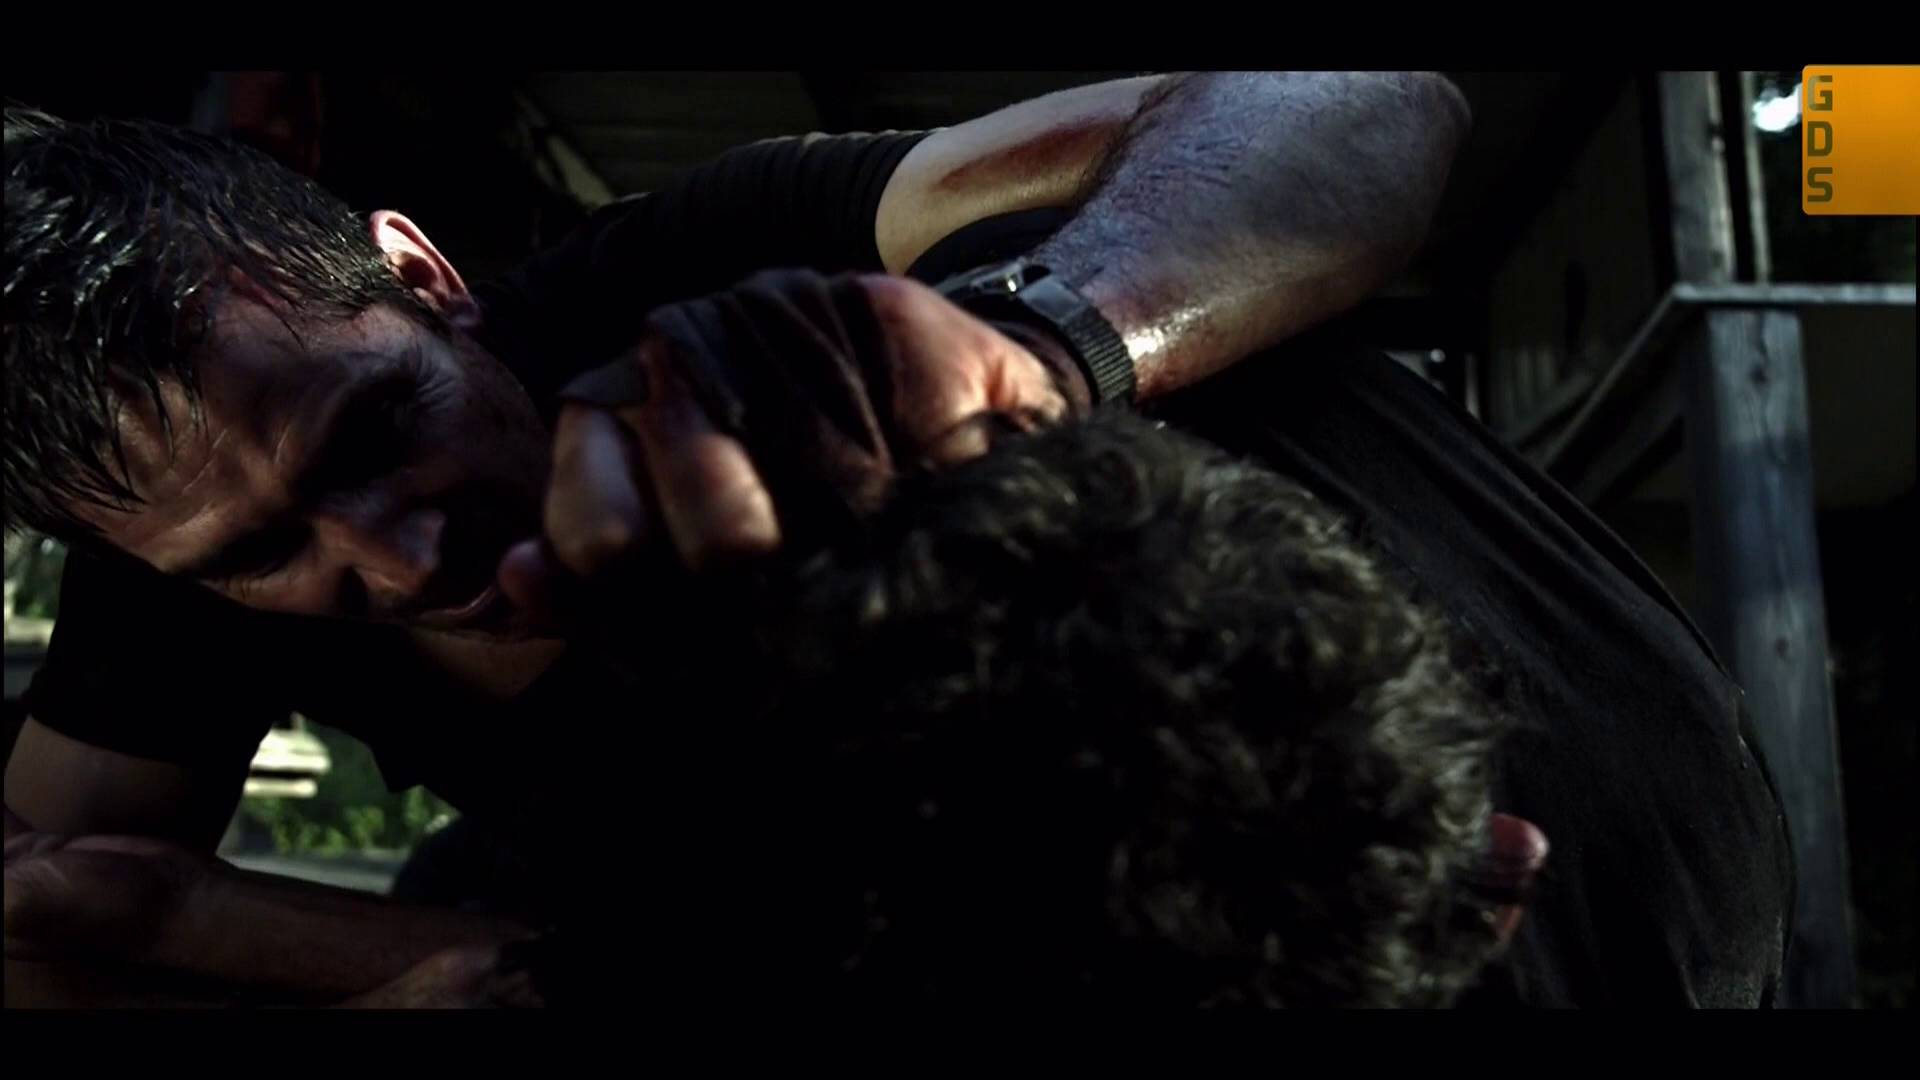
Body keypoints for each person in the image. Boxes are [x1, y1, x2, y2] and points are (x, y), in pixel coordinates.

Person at [2, 70, 1788, 1007]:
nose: (397, 559)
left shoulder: (726, 271)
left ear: (424, 277)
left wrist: (1050, 342)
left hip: (1618, 872)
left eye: (378, 428)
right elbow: (41, 915)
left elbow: (1361, 97)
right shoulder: (186, 579)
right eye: (260, 556)